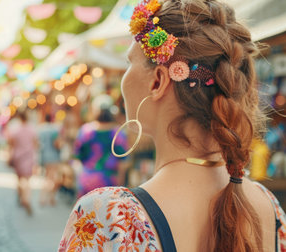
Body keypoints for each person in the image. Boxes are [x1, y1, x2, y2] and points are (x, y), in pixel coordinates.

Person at [59, 0, 286, 251]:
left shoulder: (111, 217)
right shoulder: (270, 209)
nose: (124, 78)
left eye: (128, 63)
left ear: (158, 81)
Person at [74, 101, 128, 198]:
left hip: (87, 179)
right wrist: (121, 184)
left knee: (87, 212)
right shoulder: (117, 132)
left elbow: (77, 155)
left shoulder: (86, 130)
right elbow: (123, 162)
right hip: (109, 182)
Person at [7, 111, 38, 215]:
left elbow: (11, 143)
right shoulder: (32, 129)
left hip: (18, 156)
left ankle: (21, 197)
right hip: (29, 156)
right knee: (28, 180)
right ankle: (26, 198)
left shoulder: (15, 130)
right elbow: (35, 143)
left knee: (19, 179)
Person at [38, 114, 62, 206]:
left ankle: (43, 198)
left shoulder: (41, 129)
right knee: (54, 178)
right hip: (54, 156)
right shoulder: (54, 130)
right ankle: (50, 197)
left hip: (44, 155)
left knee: (47, 176)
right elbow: (56, 143)